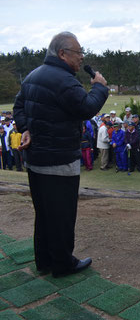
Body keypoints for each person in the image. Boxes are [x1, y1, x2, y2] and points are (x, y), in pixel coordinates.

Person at [13, 31, 108, 277]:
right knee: (63, 215)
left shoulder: (33, 75)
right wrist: (99, 88)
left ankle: (44, 261)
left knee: (44, 214)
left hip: (36, 161)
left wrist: (25, 129)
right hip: (59, 160)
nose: (81, 58)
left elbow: (18, 106)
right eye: (78, 53)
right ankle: (63, 264)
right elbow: (86, 108)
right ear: (62, 53)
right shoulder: (64, 80)